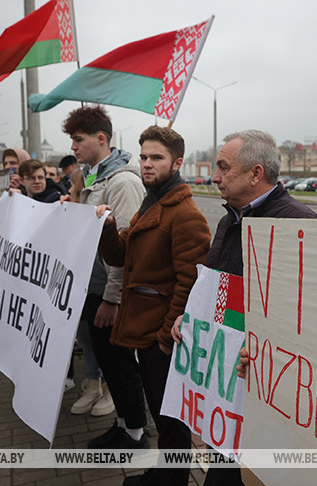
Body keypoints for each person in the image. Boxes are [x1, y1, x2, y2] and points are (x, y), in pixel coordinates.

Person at [172, 129, 317, 486]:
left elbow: (314, 318)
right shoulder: (229, 220)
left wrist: (272, 351)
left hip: (268, 391)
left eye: (224, 167)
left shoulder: (300, 225)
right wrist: (190, 320)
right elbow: (217, 289)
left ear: (256, 173)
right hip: (230, 391)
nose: (215, 176)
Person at [96, 126, 211, 486]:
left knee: (172, 418)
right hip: (145, 331)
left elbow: (190, 282)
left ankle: (173, 479)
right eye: (143, 156)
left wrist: (164, 337)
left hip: (162, 336)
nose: (146, 164)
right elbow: (118, 255)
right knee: (161, 413)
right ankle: (165, 473)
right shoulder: (152, 204)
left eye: (156, 157)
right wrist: (107, 226)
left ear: (177, 163)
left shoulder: (185, 213)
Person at [59, 105, 148, 449]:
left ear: (101, 138)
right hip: (94, 286)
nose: (73, 147)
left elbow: (125, 250)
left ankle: (136, 435)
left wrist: (113, 298)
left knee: (121, 364)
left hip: (111, 293)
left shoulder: (123, 181)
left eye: (78, 139)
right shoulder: (93, 176)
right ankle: (124, 426)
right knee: (108, 362)